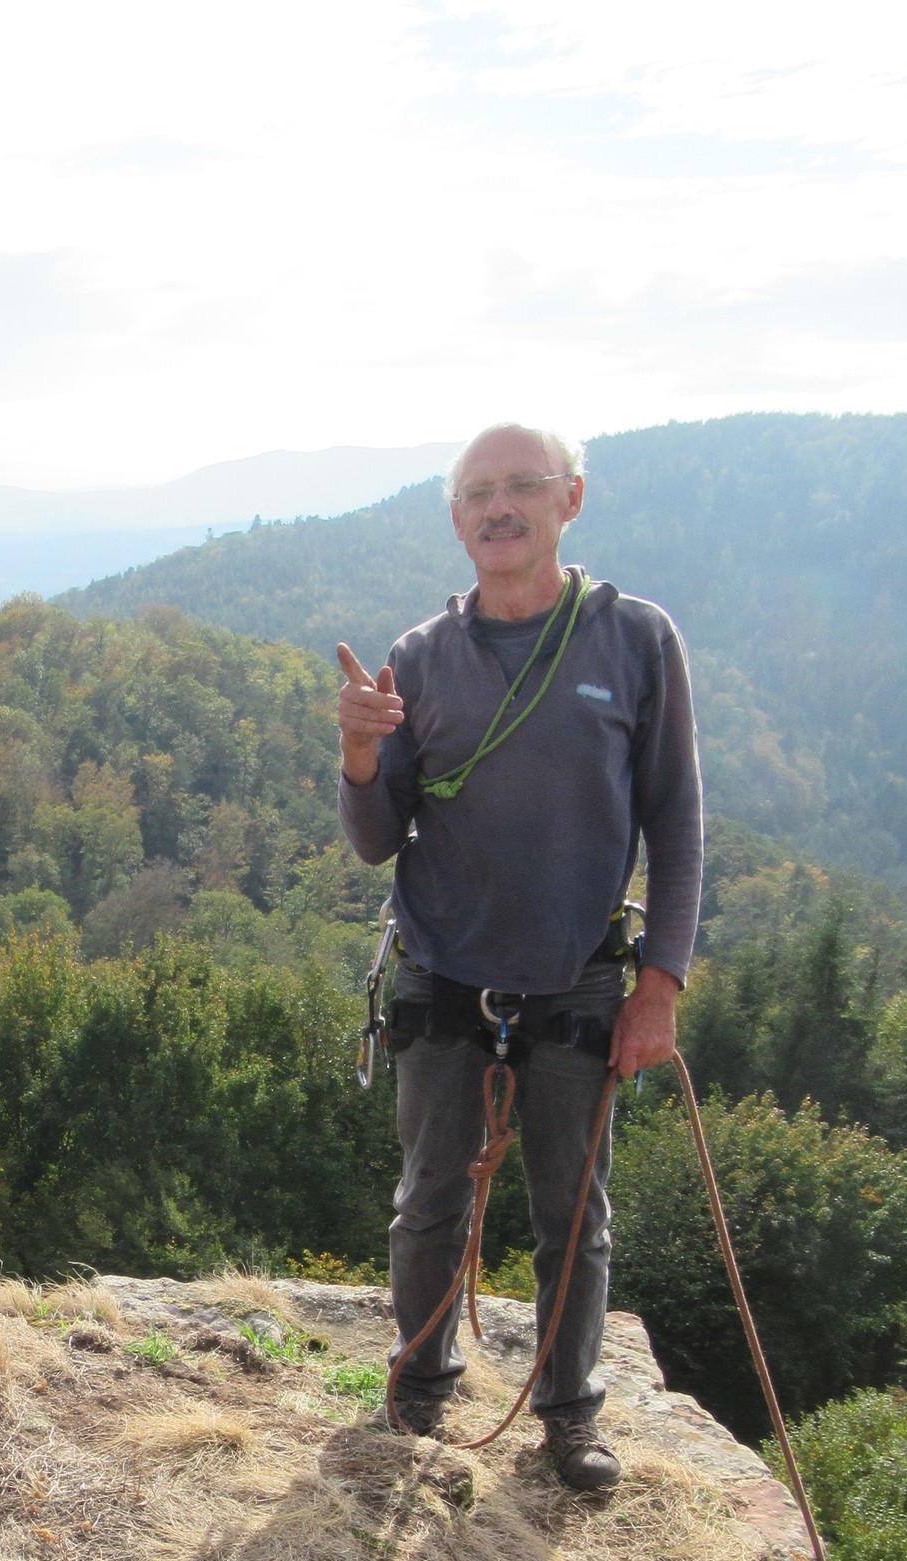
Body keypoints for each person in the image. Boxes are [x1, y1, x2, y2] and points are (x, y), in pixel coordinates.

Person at [337, 421, 703, 1493]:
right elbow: (376, 839)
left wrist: (660, 986)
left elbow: (677, 821)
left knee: (572, 1218)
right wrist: (357, 753)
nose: (500, 508)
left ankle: (569, 1416)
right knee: (428, 1201)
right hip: (442, 967)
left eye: (523, 486)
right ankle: (417, 1390)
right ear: (456, 521)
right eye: (479, 493)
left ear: (569, 499)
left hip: (581, 973)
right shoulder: (419, 658)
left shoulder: (635, 640)